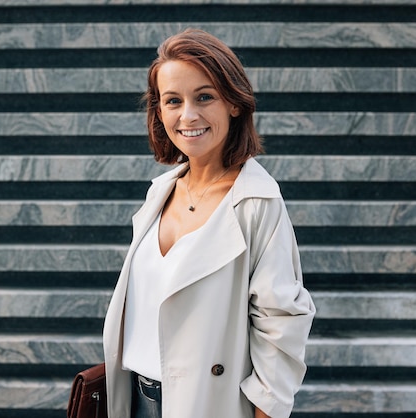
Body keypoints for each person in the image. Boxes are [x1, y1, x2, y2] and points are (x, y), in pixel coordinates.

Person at [102, 28, 315, 418]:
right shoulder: (160, 192)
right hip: (135, 398)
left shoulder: (256, 202)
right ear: (159, 110)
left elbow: (282, 323)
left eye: (204, 97)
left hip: (207, 405)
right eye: (173, 100)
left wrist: (266, 412)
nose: (188, 115)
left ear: (234, 103)